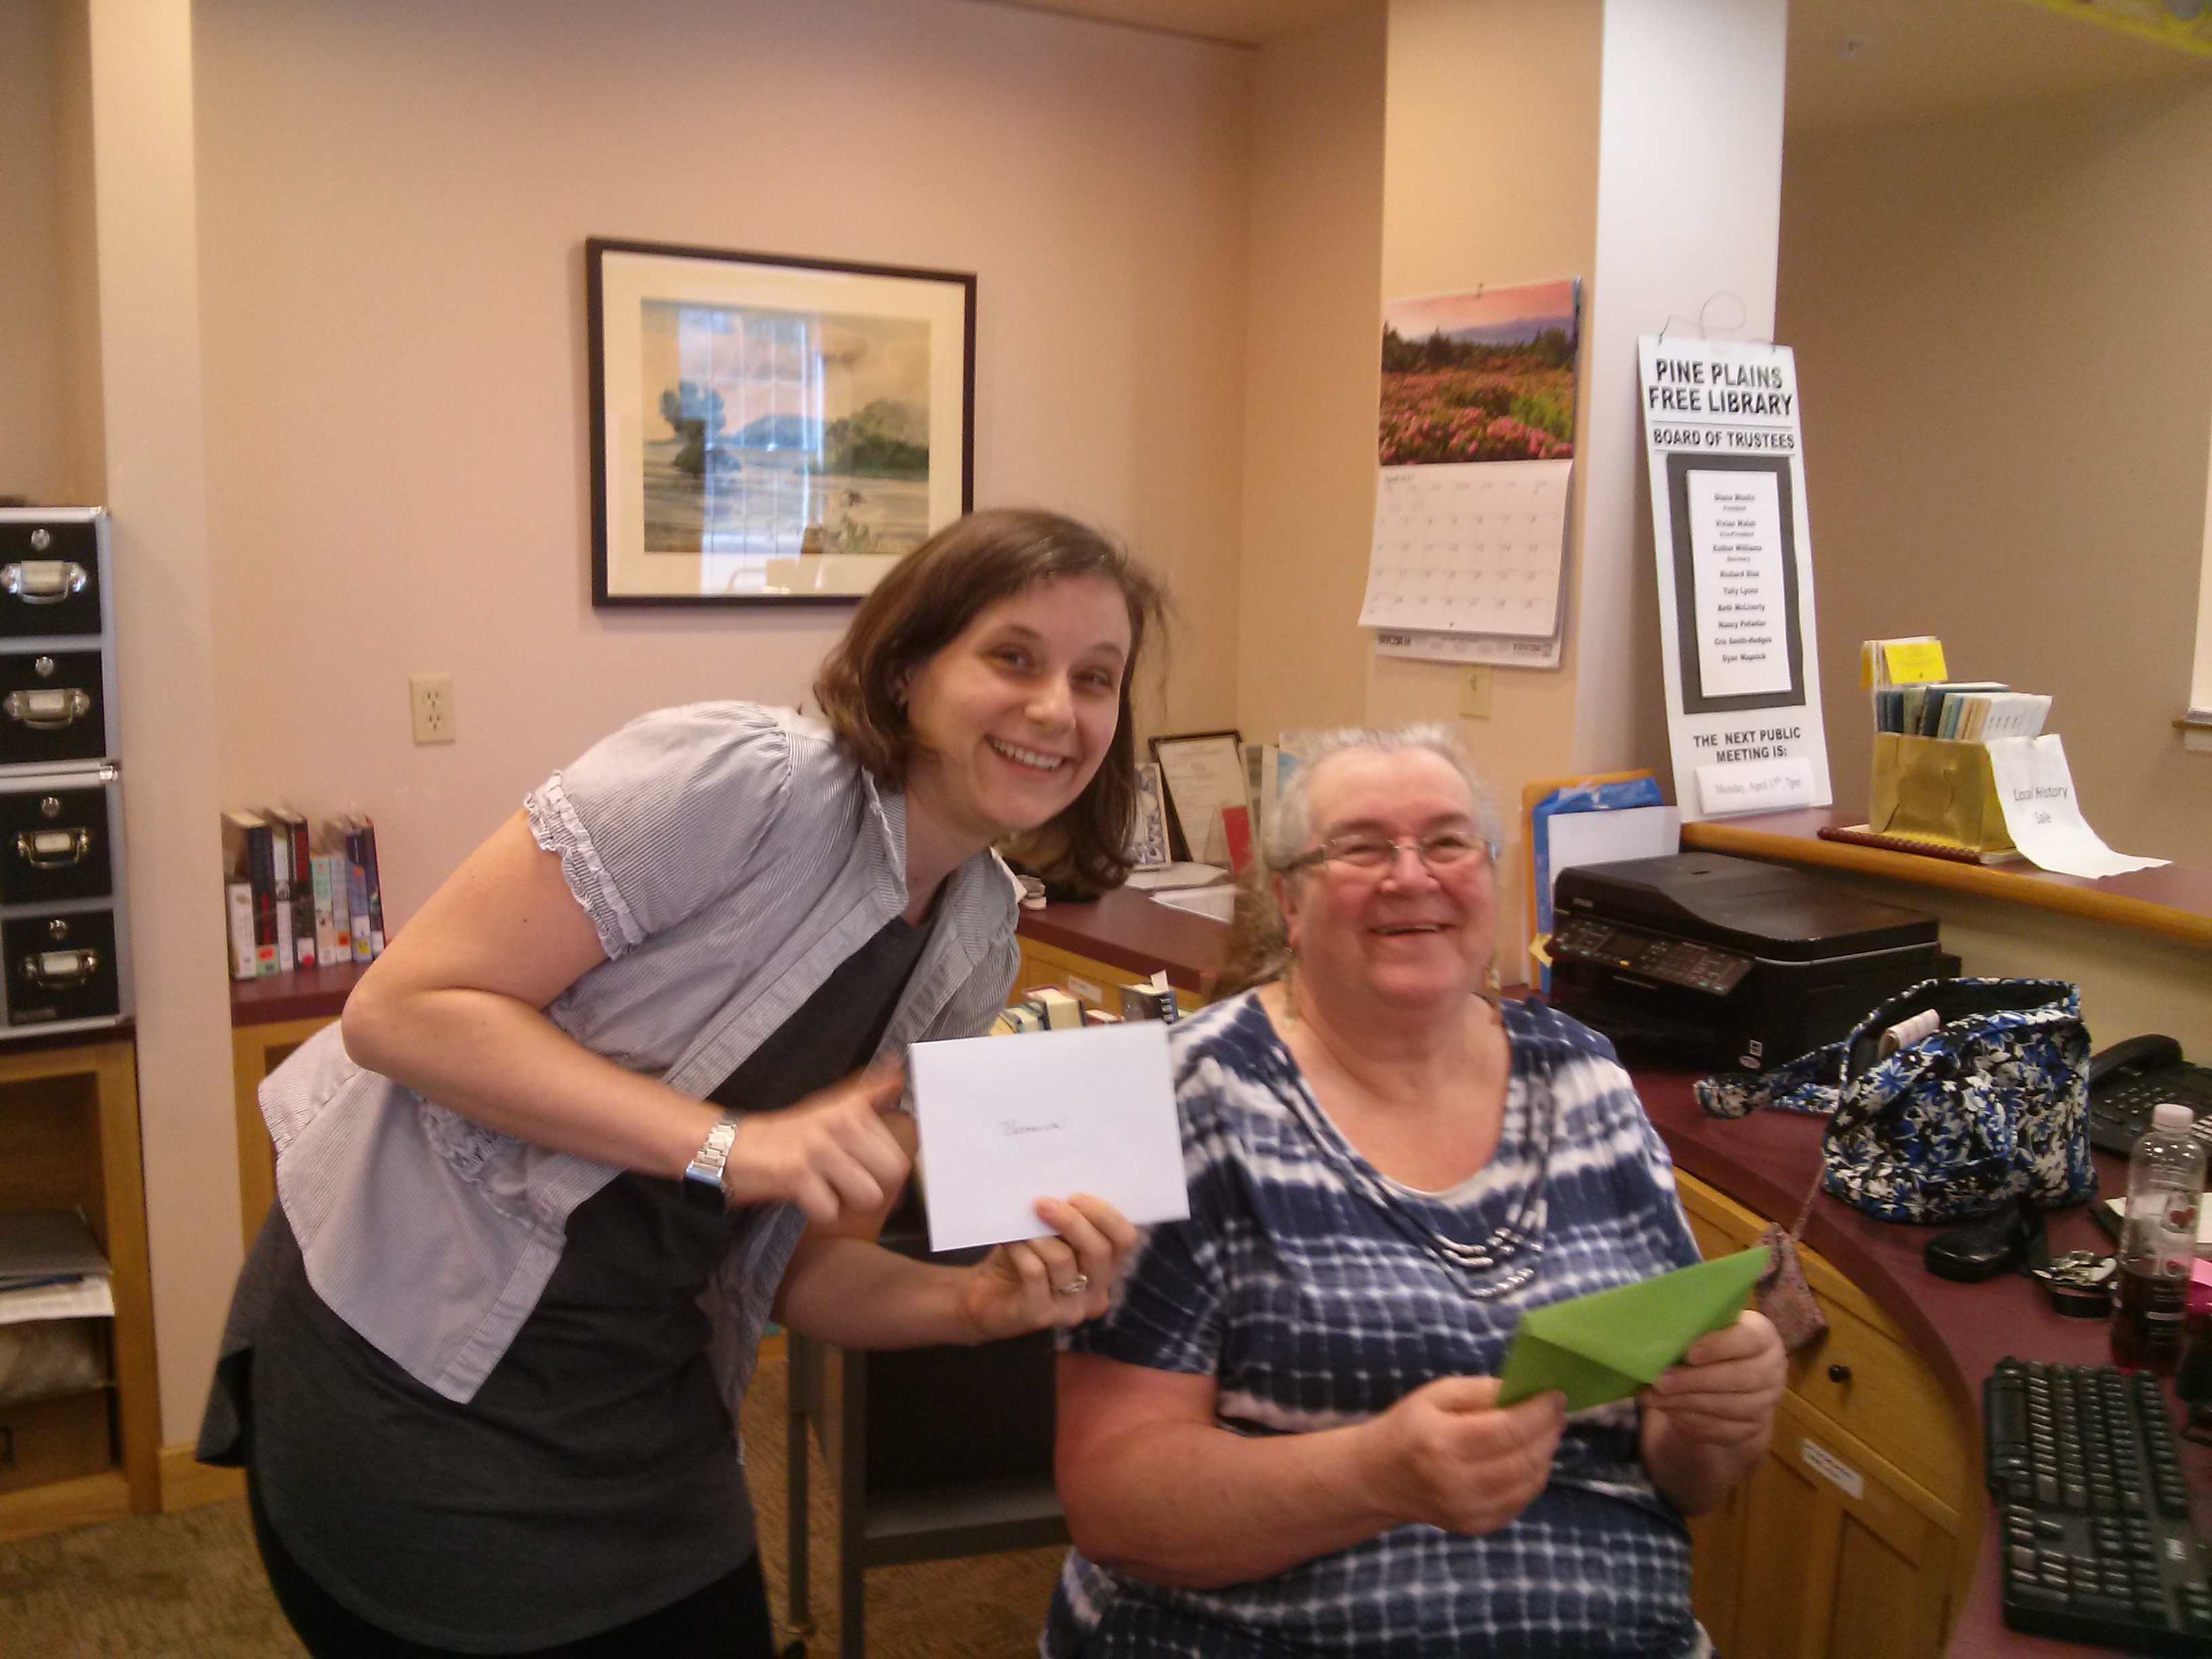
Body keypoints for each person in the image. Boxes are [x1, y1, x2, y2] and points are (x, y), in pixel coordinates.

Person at [197, 508, 1162, 1657]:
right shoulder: (746, 782)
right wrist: (729, 1145)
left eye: (1095, 679)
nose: (1056, 709)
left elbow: (801, 1264)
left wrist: (971, 1309)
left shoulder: (978, 943)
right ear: (909, 668)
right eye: (1013, 657)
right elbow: (402, 1010)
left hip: (642, 1391)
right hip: (410, 1349)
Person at [1045, 724, 1786, 1658]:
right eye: (1360, 848)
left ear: (1492, 881)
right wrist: (1376, 1475)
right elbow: (1115, 1502)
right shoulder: (1184, 1096)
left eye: (1447, 842)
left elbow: (1683, 1478)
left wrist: (1715, 1419)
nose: (1412, 876)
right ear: (1291, 902)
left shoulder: (1586, 1080)